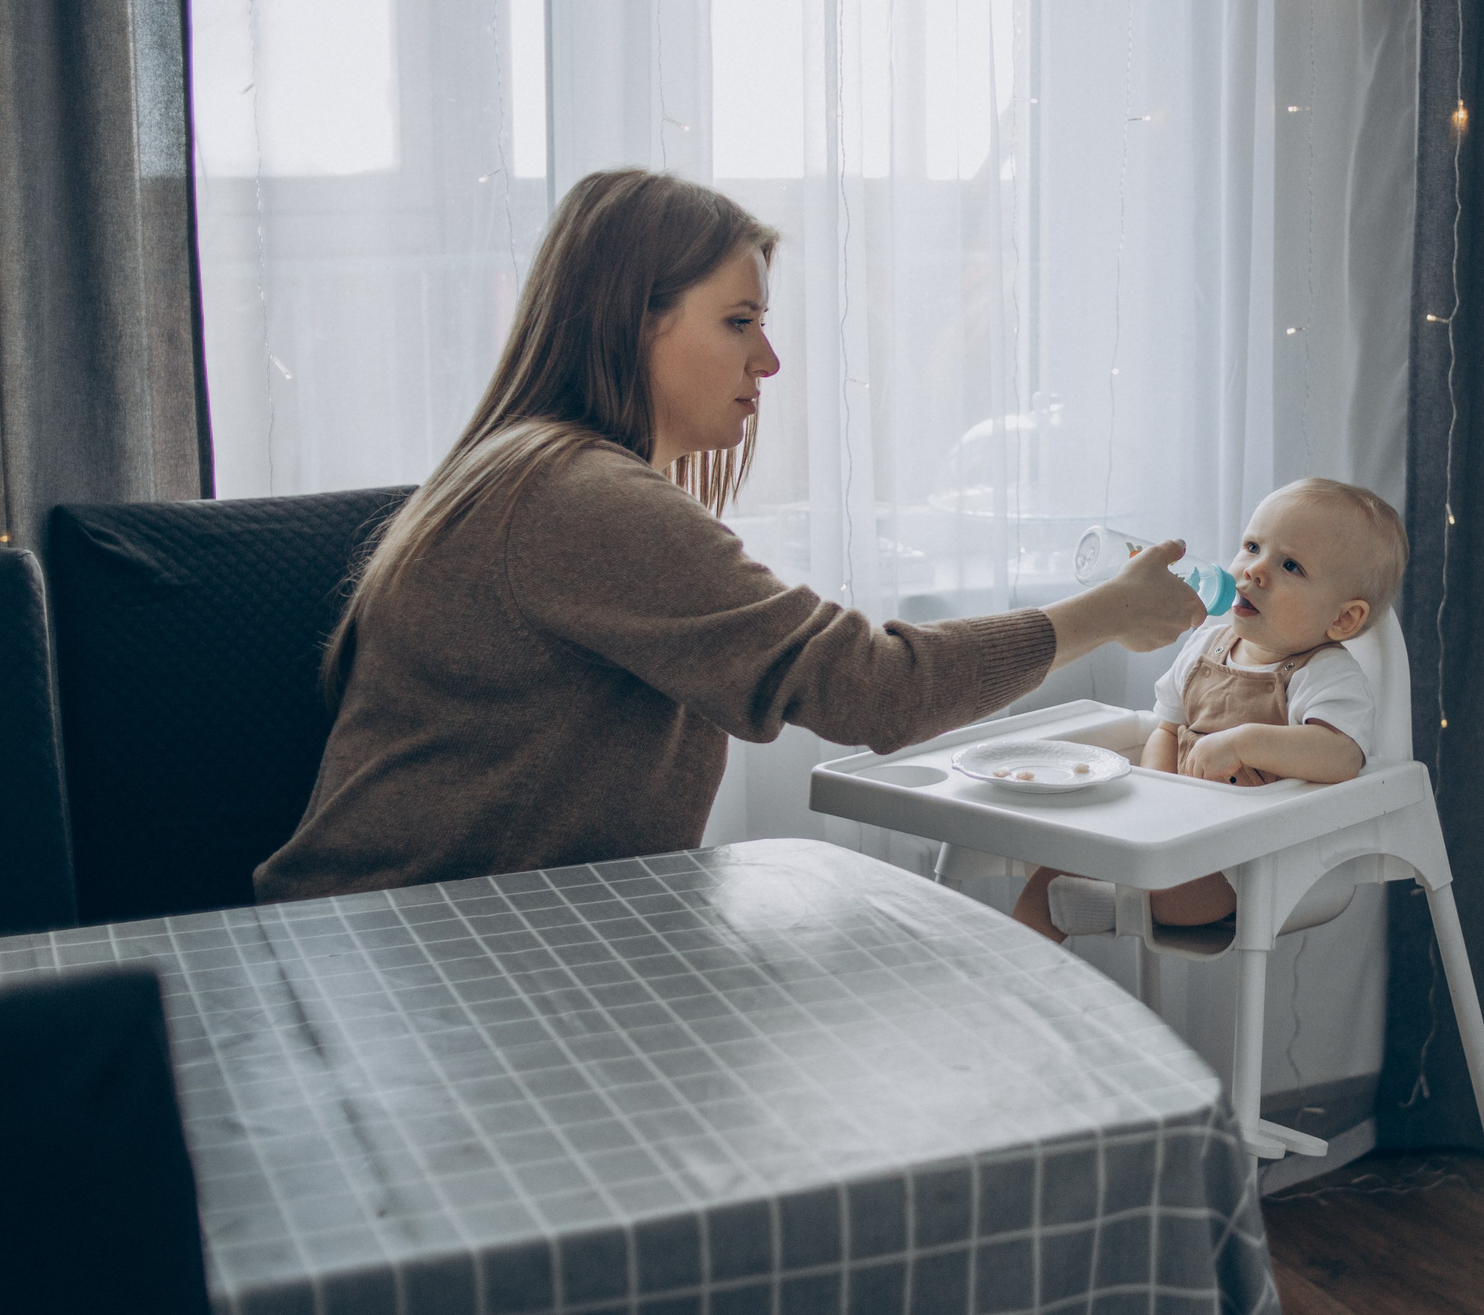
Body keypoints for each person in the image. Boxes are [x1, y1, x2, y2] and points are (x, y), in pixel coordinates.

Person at [256, 169, 1203, 903]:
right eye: (739, 322)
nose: (770, 360)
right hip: (412, 945)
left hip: (434, 926)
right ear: (631, 324)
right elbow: (874, 688)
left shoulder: (531, 473)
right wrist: (1107, 613)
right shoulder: (584, 501)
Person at [1009, 478, 1407, 943]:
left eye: (1290, 566)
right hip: (1174, 828)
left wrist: (1244, 743)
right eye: (1252, 546)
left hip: (1245, 864)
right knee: (1057, 864)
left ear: (1343, 618)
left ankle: (1112, 906)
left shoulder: (1325, 674)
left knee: (1174, 888)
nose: (1255, 570)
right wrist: (1157, 794)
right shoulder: (1204, 646)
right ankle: (1008, 971)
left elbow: (1341, 756)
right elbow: (1166, 728)